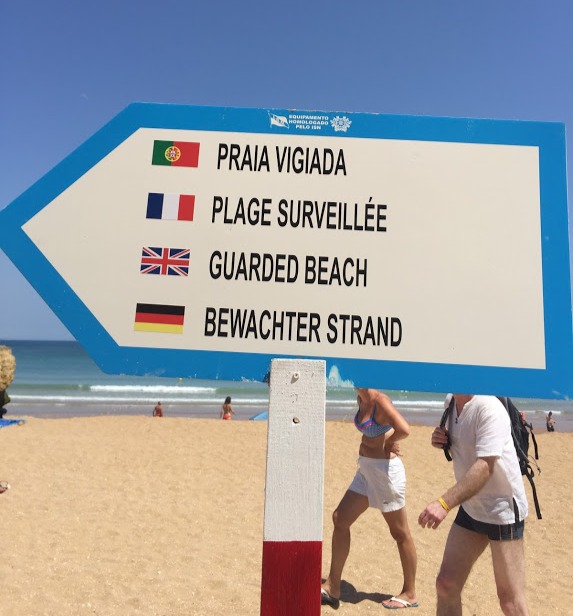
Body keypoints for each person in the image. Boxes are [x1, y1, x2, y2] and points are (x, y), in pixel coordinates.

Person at [419, 394, 529, 616]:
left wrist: (443, 503)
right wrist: (441, 440)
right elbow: (464, 442)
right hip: (471, 506)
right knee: (446, 584)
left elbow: (485, 467)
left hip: (502, 511)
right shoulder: (451, 402)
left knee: (511, 603)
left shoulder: (489, 408)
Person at [321, 388, 418, 610]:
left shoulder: (380, 402)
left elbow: (404, 429)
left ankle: (410, 592)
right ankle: (333, 586)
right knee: (340, 519)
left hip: (385, 473)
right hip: (365, 470)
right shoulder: (361, 399)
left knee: (400, 532)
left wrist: (389, 442)